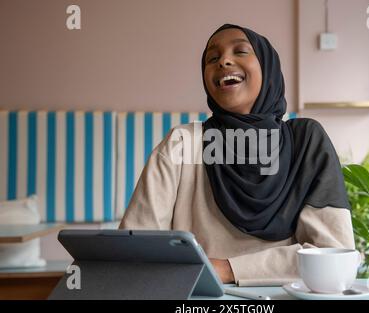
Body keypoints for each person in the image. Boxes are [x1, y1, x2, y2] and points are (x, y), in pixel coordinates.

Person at [119, 24, 355, 284]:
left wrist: (226, 269)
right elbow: (134, 249)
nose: (224, 61)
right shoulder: (183, 144)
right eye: (212, 58)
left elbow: (333, 255)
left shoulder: (306, 141)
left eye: (240, 51)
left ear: (268, 68)